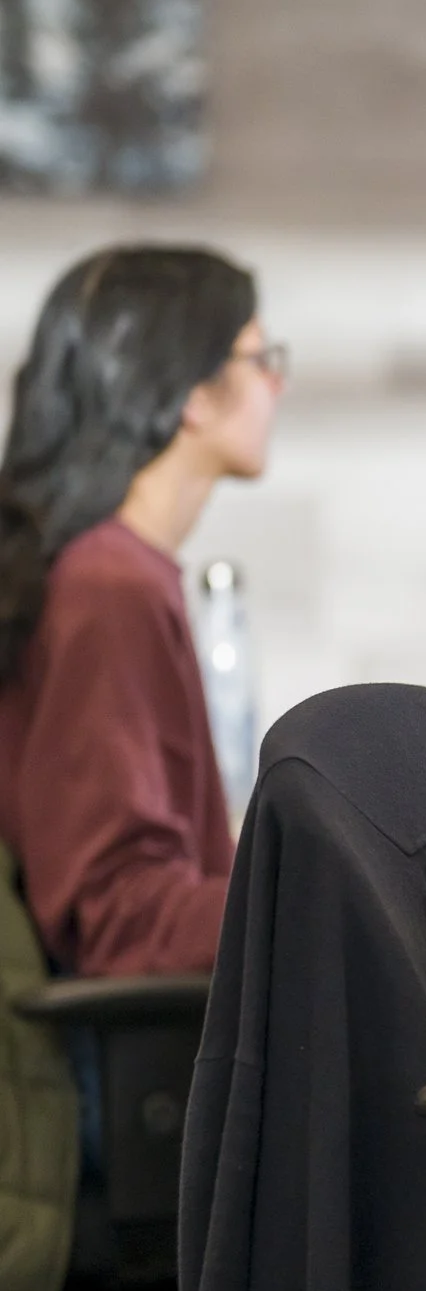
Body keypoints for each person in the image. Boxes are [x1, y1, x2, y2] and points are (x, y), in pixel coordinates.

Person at [0, 245, 283, 977]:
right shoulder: (109, 585)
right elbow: (118, 913)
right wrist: (312, 907)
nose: (277, 383)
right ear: (192, 391)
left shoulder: (102, 569)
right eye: (261, 356)